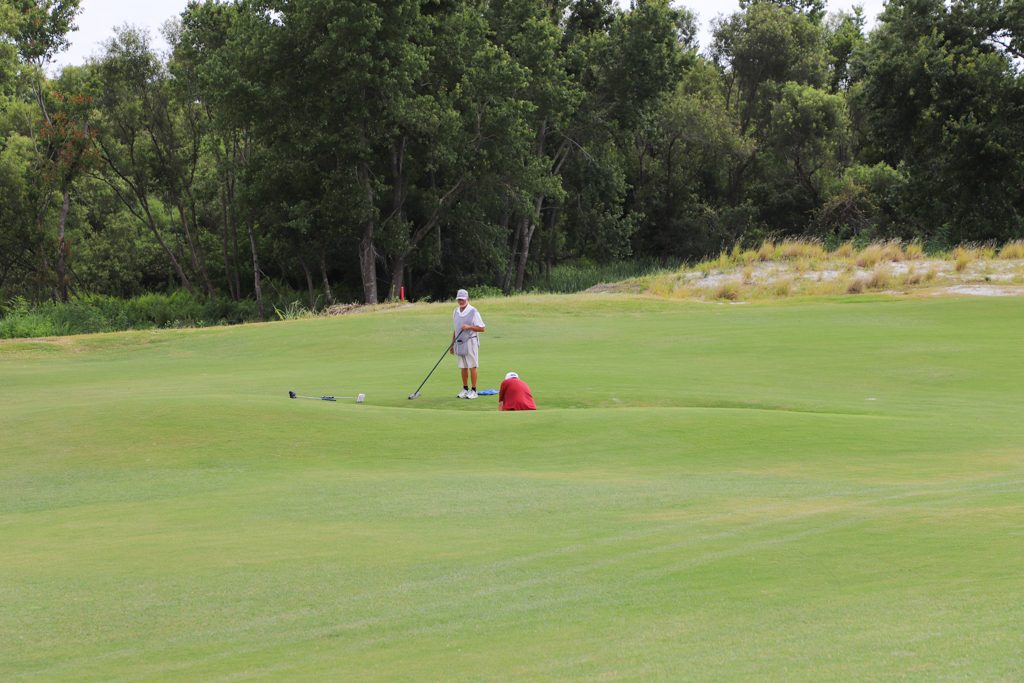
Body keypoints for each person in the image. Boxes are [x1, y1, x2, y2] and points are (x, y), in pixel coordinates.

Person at [451, 288, 485, 399]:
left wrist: (469, 327)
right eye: (459, 299)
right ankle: (465, 389)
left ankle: (474, 390)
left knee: (472, 366)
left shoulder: (473, 311)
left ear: (467, 299)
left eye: (462, 299)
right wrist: (452, 344)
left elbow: (482, 328)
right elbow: (455, 329)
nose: (461, 301)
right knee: (463, 367)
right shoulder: (455, 312)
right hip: (459, 343)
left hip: (471, 341)